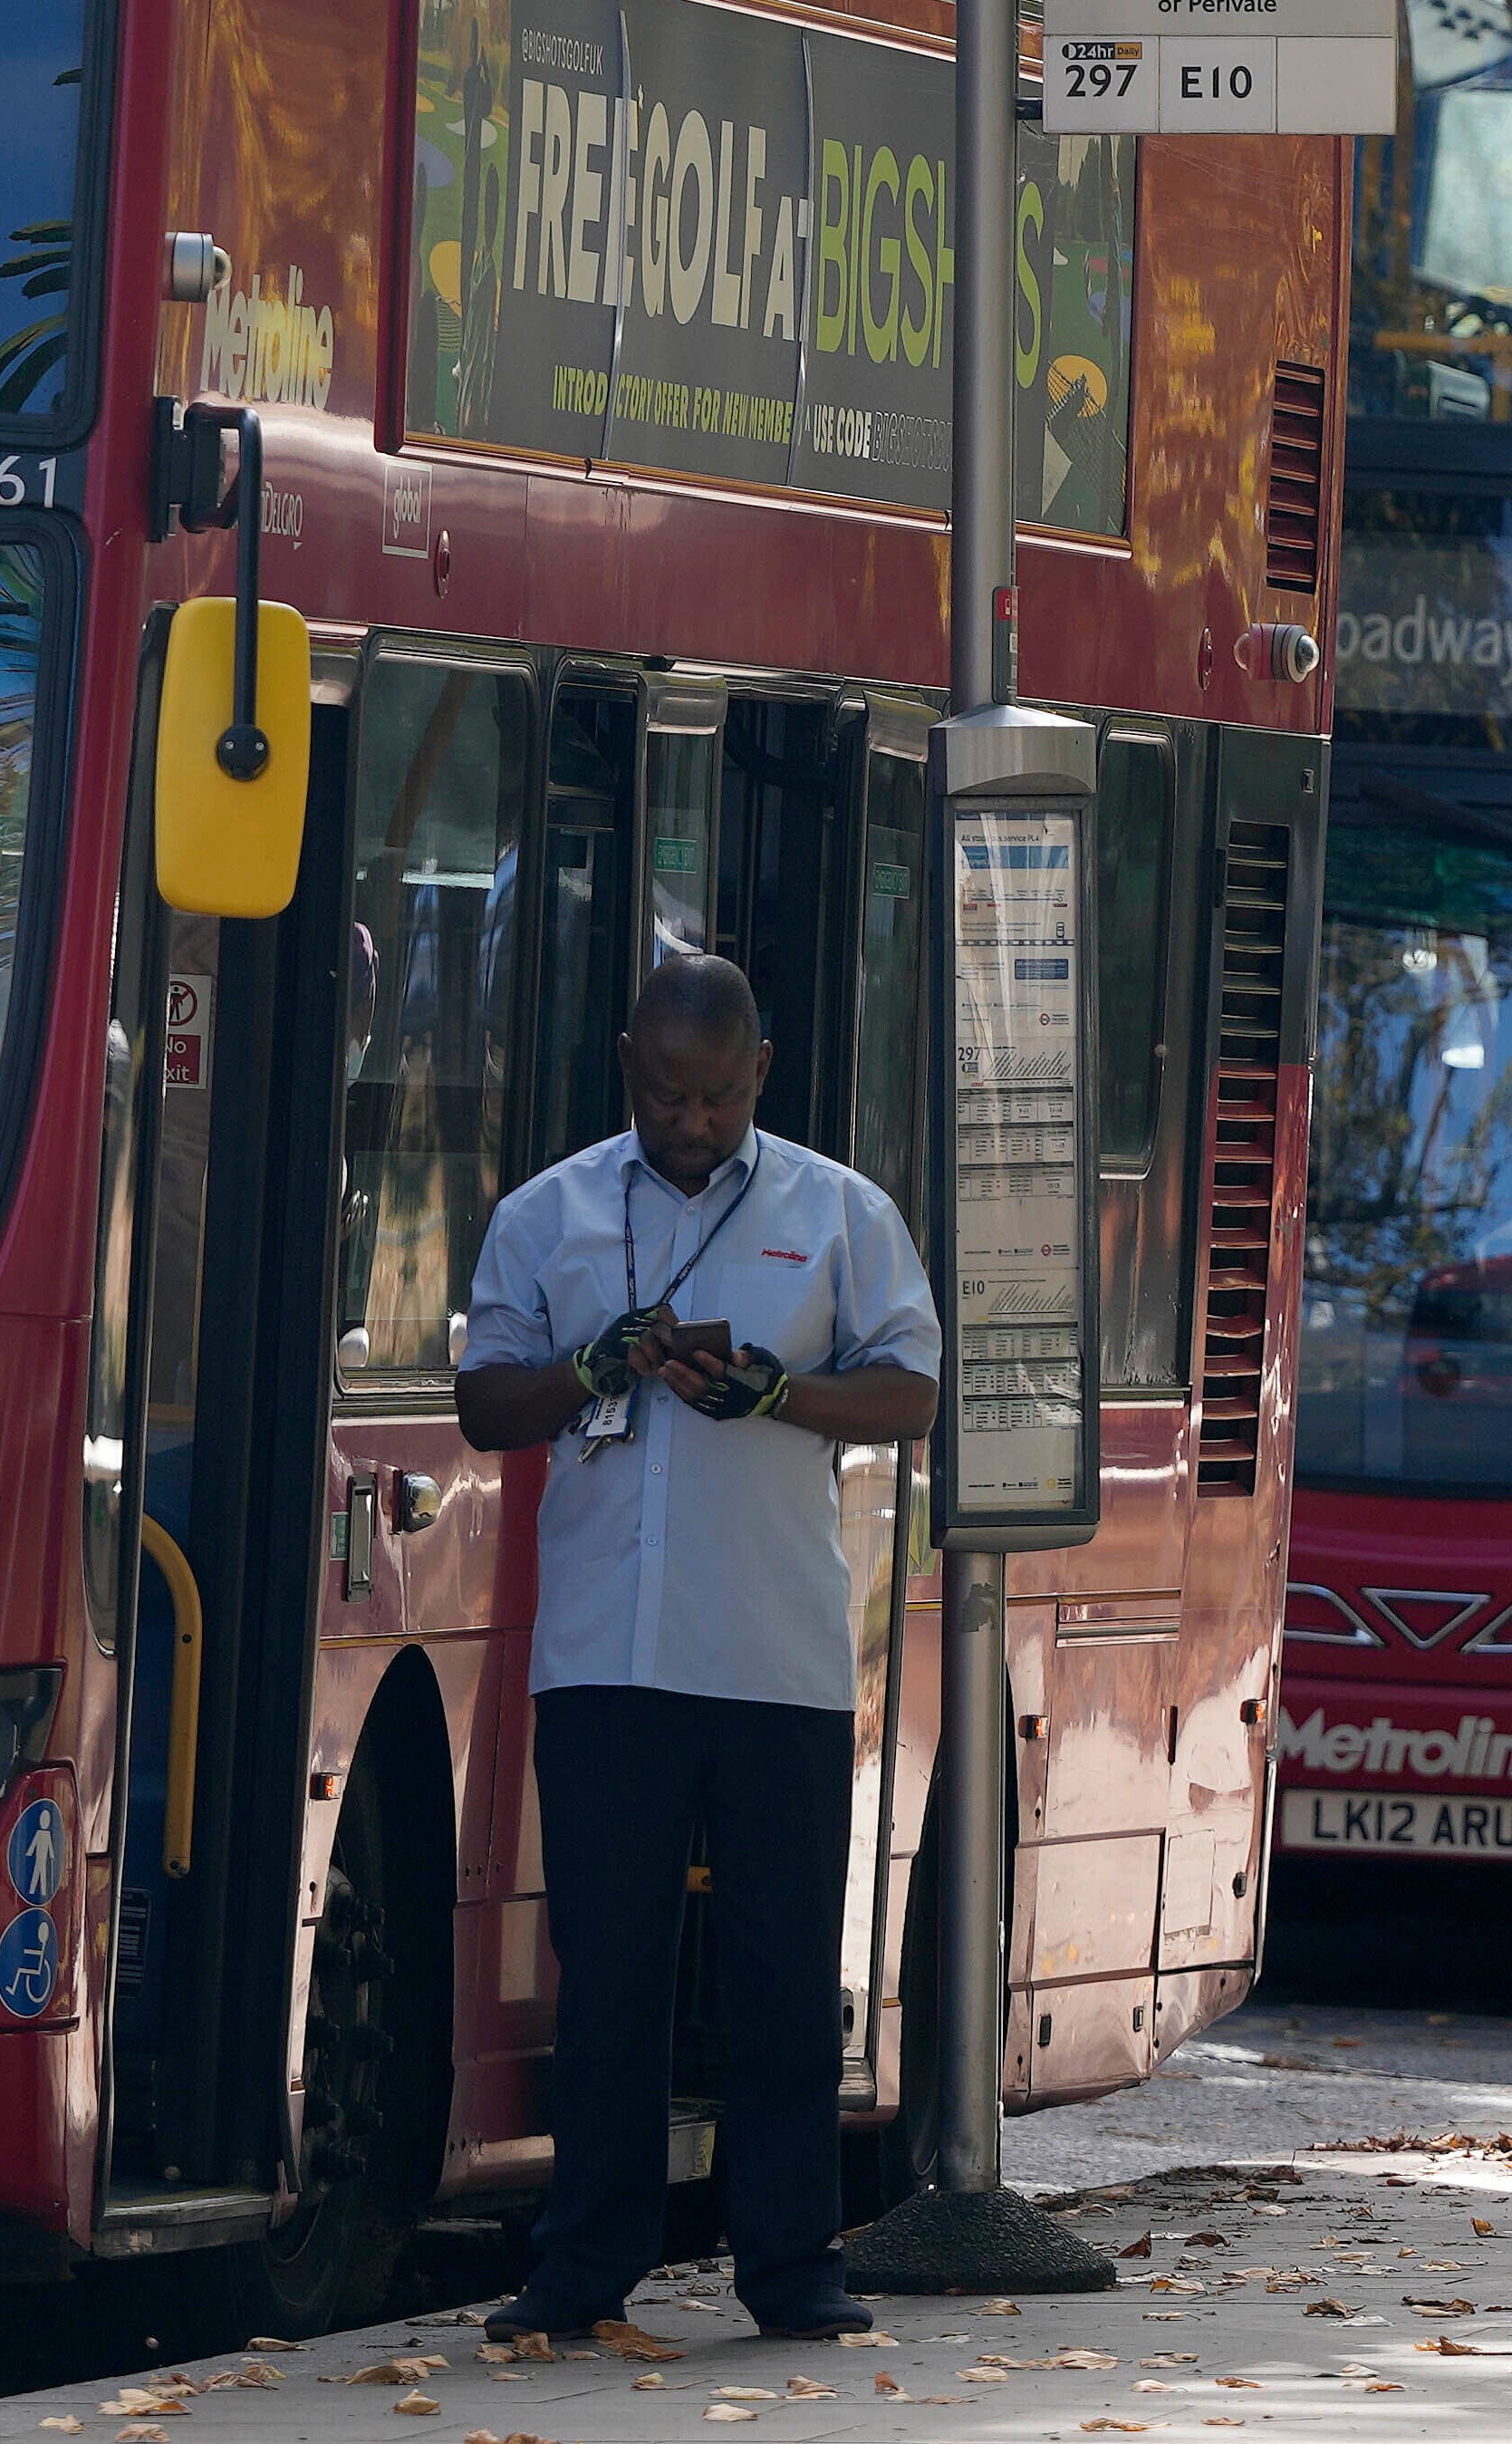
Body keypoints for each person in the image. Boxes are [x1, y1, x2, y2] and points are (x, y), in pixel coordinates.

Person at [457, 955, 939, 2338]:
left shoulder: (837, 1212)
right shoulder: (546, 1214)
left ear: (761, 1073)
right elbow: (489, 1401)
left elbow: (911, 1391)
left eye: (721, 1096)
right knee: (610, 1973)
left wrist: (780, 1393)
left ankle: (792, 2269)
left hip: (777, 1656)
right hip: (608, 1658)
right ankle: (581, 2269)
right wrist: (597, 1368)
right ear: (628, 1066)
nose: (696, 1122)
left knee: (783, 1974)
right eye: (670, 1095)